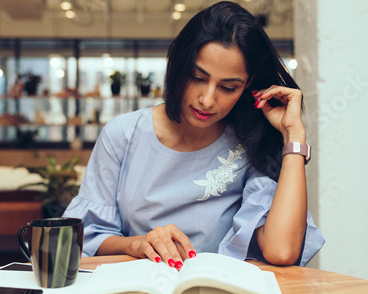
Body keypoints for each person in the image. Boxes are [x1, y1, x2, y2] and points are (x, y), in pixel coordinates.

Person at [63, 1, 324, 268]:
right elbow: (87, 237)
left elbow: (281, 250)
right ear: (176, 61)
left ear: (248, 86)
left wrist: (294, 136)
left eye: (228, 87)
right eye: (198, 77)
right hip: (136, 293)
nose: (207, 100)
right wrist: (136, 244)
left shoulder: (248, 143)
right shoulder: (123, 134)